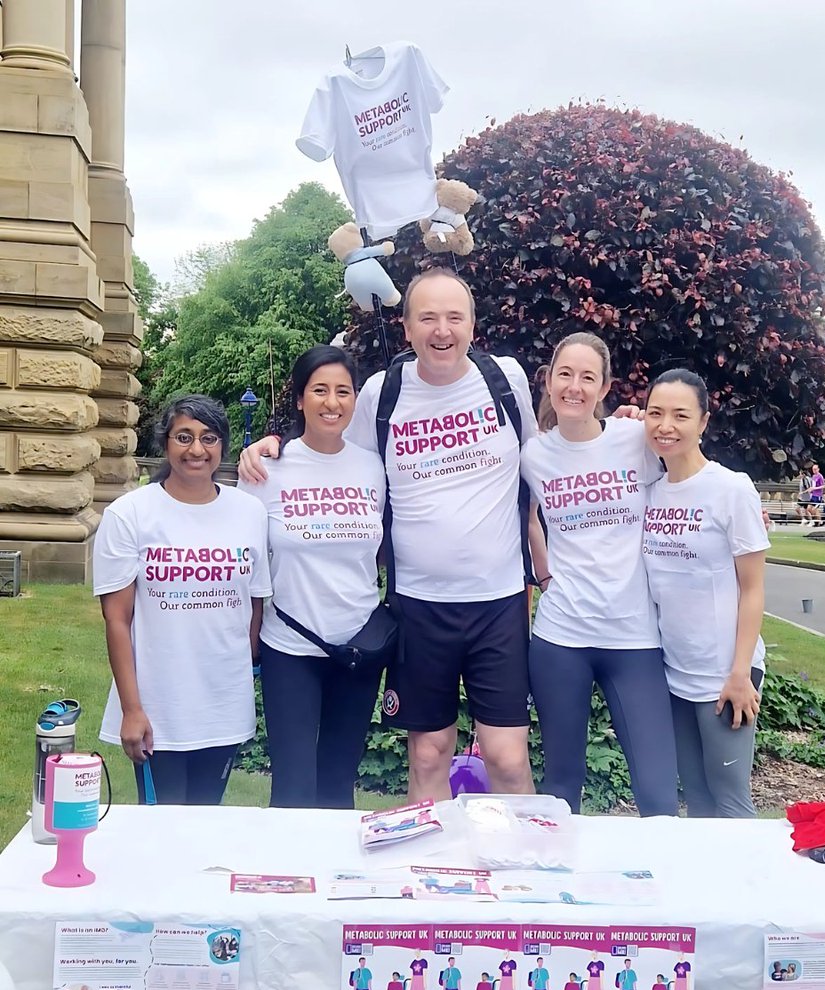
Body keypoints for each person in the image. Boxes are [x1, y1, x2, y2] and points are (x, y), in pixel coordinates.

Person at [240, 270, 539, 801]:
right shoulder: (383, 392)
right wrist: (272, 446)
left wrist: (622, 430)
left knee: (507, 759)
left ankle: (518, 872)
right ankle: (431, 872)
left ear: (473, 324)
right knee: (427, 753)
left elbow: (548, 459)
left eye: (454, 317)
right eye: (427, 317)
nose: (441, 330)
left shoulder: (506, 379)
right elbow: (332, 453)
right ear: (405, 327)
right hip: (418, 605)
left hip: (498, 600)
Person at [522, 333, 678, 816]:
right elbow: (527, 517)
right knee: (562, 788)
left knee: (656, 792)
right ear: (548, 382)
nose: (574, 387)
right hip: (560, 639)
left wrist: (740, 506)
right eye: (564, 374)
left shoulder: (635, 438)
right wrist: (545, 577)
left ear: (605, 387)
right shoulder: (533, 455)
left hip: (634, 639)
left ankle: (664, 886)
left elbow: (688, 470)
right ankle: (558, 887)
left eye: (588, 377)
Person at [94, 396, 271, 804]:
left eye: (208, 438)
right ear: (166, 443)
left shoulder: (249, 512)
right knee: (160, 830)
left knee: (207, 822)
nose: (197, 449)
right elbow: (117, 619)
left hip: (222, 704)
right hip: (159, 707)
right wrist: (131, 709)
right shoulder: (130, 514)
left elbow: (254, 603)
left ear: (222, 445)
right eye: (184, 437)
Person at [237, 345, 387, 808]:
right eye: (319, 390)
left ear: (355, 400)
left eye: (343, 391)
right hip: (291, 648)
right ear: (300, 399)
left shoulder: (373, 466)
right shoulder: (266, 468)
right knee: (294, 787)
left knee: (339, 783)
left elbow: (380, 551)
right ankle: (289, 879)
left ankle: (340, 880)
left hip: (358, 648)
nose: (332, 401)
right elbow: (248, 560)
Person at [642, 369, 769, 818]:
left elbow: (753, 590)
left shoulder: (731, 489)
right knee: (695, 799)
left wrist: (739, 673)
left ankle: (753, 888)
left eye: (680, 415)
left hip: (725, 677)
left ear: (703, 422)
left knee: (731, 800)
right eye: (655, 413)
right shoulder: (652, 492)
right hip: (676, 674)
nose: (665, 426)